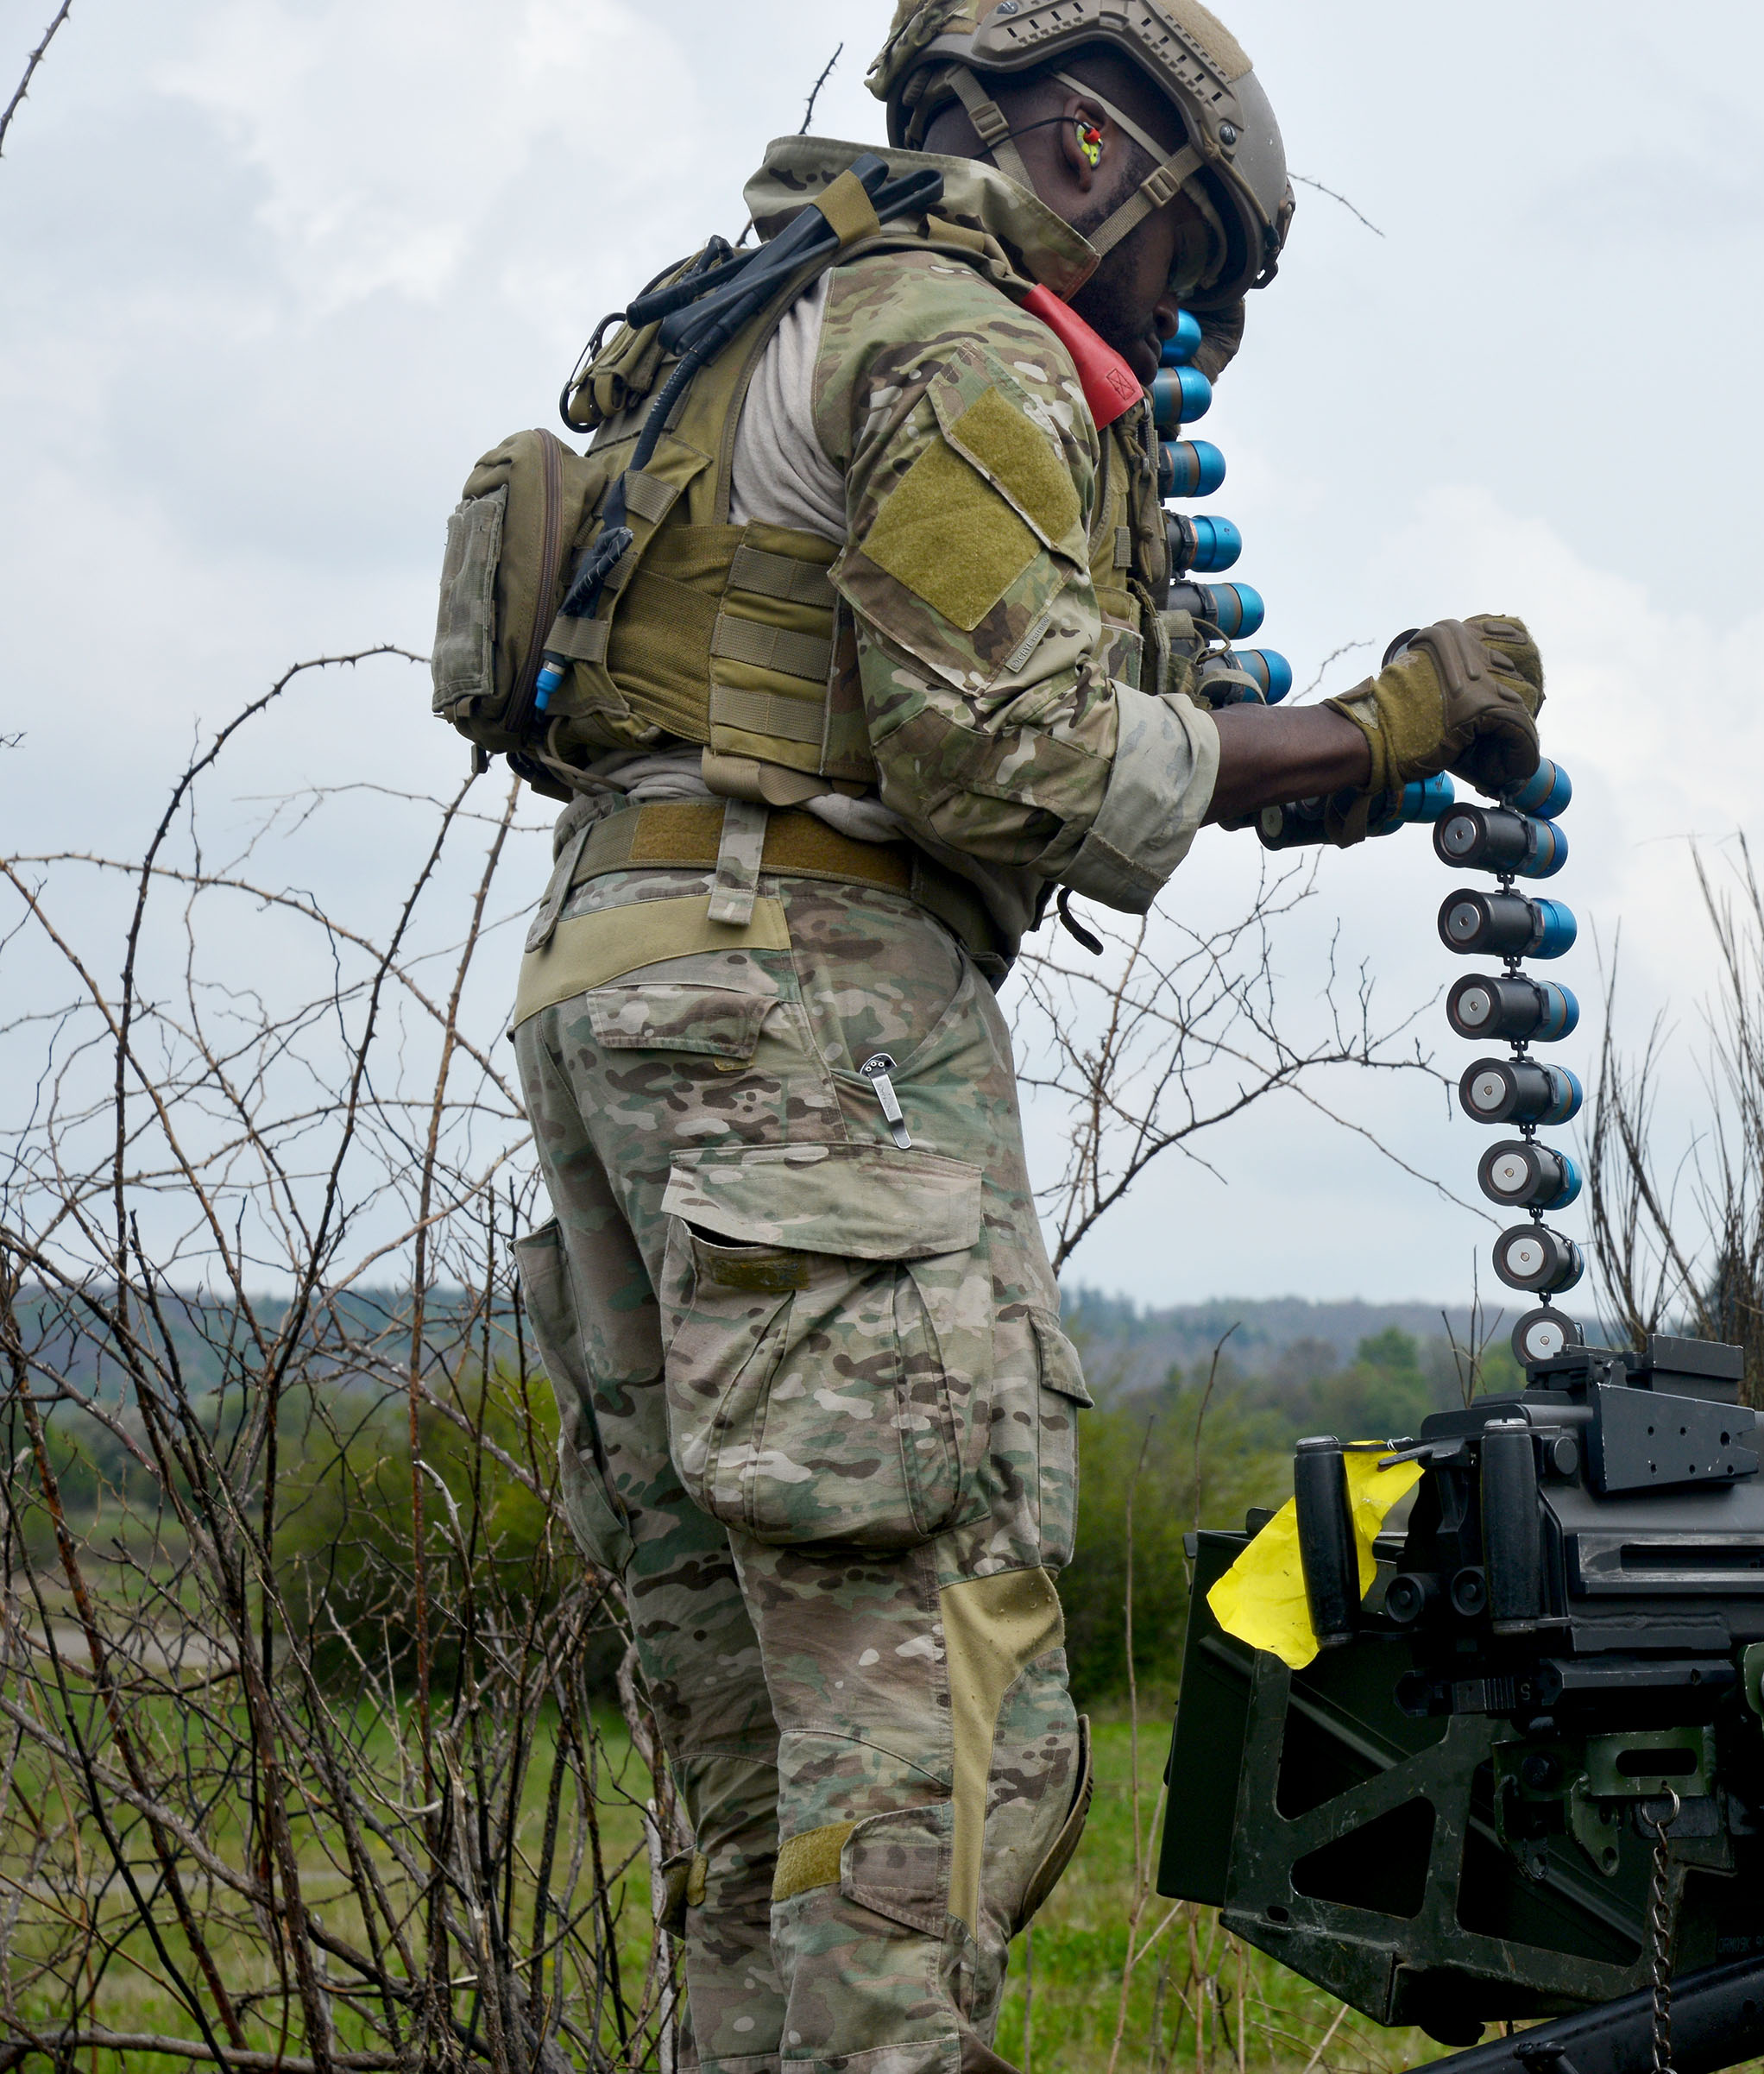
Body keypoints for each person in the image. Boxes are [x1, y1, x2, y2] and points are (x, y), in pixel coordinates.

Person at [495, 6, 1546, 2069]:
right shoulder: (956, 335)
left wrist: (1320, 756)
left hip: (638, 980)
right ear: (1087, 147)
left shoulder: (755, 323)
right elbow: (1018, 759)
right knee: (937, 1710)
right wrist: (1394, 722)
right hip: (810, 1005)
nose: (1192, 343)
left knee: (753, 1752)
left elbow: (995, 702)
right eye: (1200, 272)